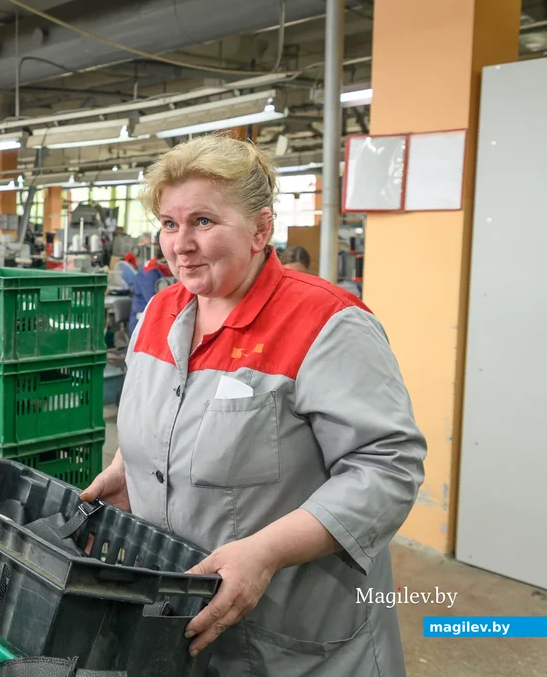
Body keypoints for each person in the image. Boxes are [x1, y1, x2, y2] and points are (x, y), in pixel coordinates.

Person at [81, 135, 426, 676]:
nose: (180, 244)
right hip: (180, 627)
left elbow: (388, 468)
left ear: (261, 230)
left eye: (202, 221)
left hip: (292, 637)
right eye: (169, 224)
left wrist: (265, 552)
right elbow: (169, 416)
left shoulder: (326, 324)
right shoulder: (159, 315)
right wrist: (132, 468)